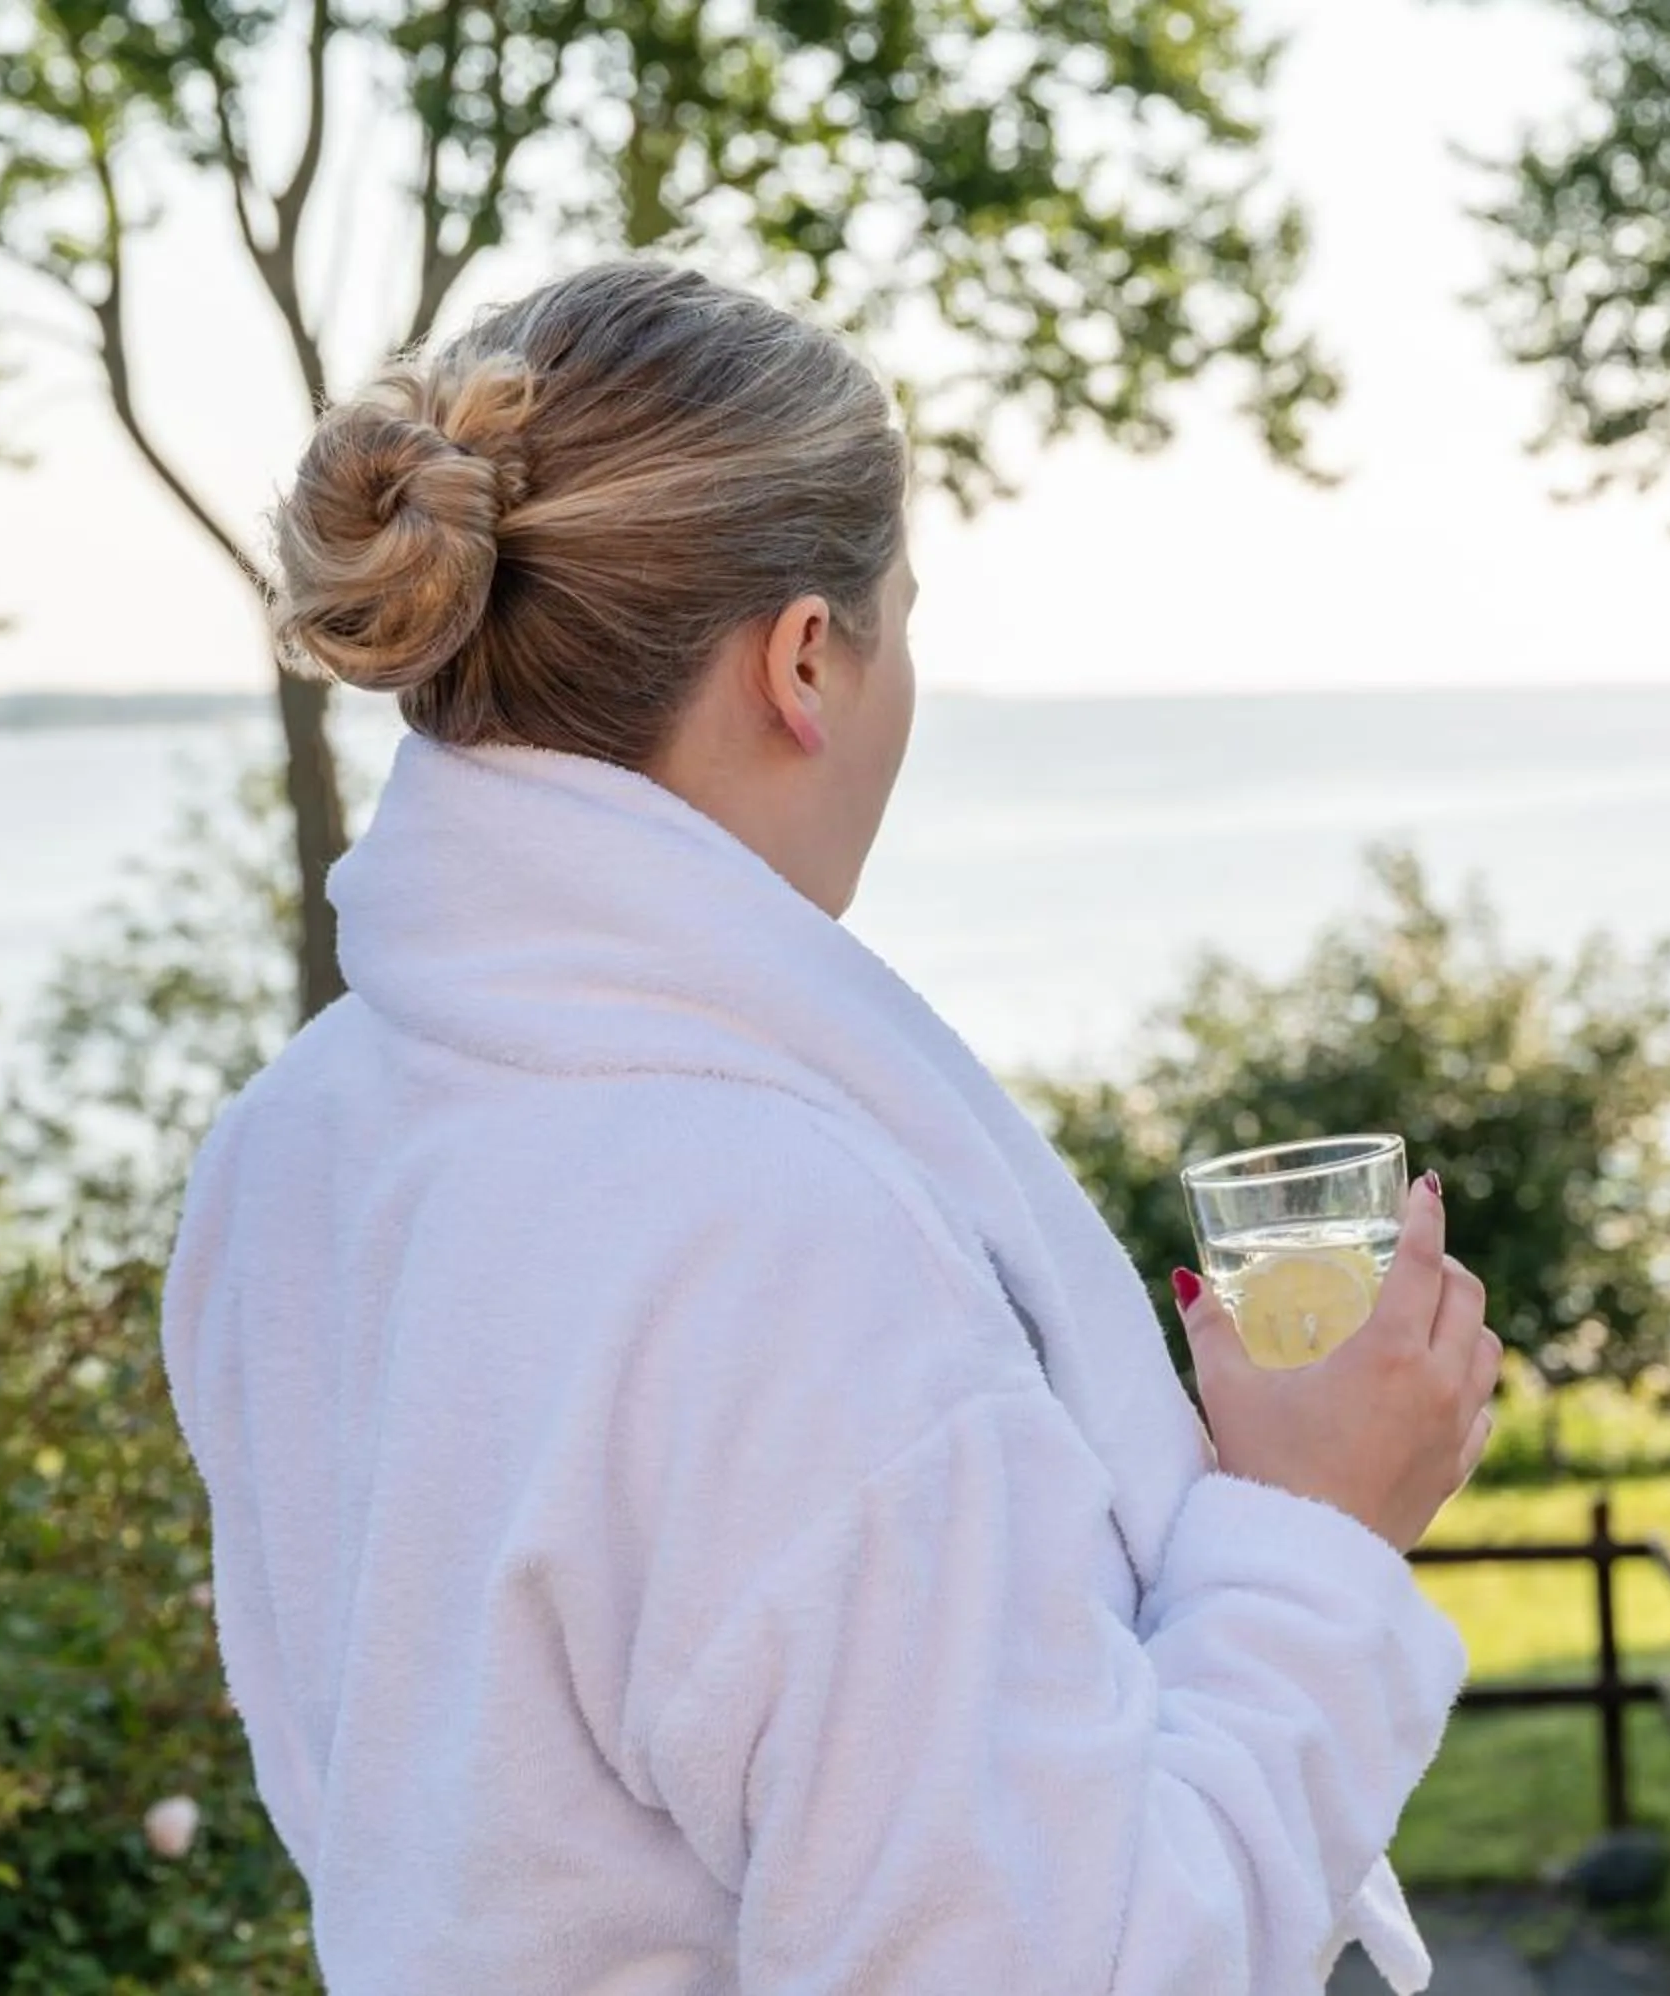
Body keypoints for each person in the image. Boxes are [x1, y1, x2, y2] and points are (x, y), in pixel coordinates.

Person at [161, 258, 1503, 1995]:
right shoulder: (778, 1241)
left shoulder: (292, 1154)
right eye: (905, 617)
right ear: (806, 658)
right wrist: (1318, 1534)